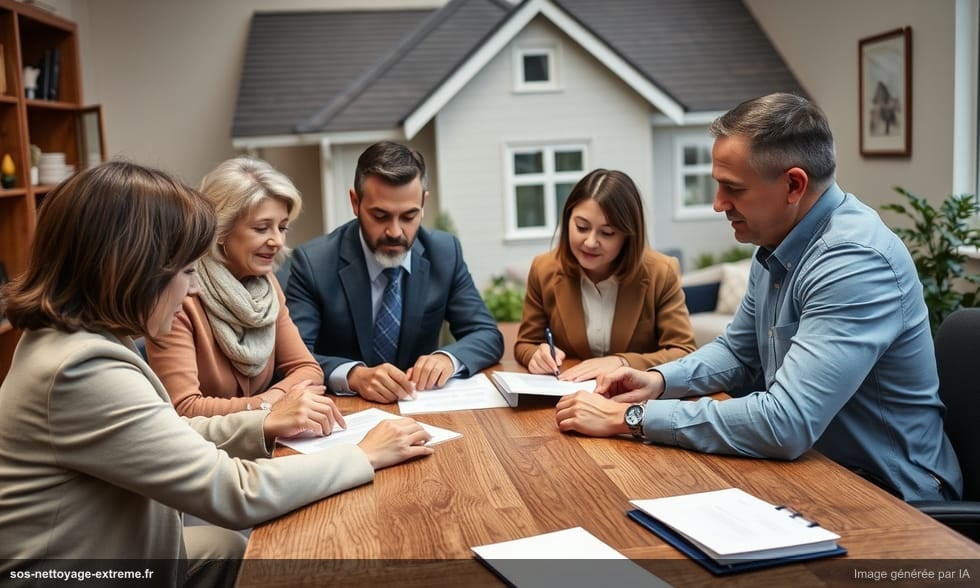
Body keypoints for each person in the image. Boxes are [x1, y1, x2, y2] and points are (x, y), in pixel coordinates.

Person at [0, 161, 433, 587]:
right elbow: (233, 491)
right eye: (187, 271)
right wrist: (364, 455)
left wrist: (261, 421)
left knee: (226, 549)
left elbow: (169, 432)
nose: (193, 288)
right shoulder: (82, 371)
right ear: (133, 269)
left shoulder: (75, 341)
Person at [554, 93, 962, 502]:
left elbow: (786, 423)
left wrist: (631, 417)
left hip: (893, 495)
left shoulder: (854, 262)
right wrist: (658, 382)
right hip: (814, 471)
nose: (718, 204)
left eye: (733, 189)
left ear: (793, 185)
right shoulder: (777, 244)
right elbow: (738, 351)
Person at [286, 141, 503, 403]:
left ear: (423, 203)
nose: (395, 232)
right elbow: (293, 360)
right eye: (380, 216)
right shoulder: (313, 263)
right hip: (344, 412)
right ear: (355, 202)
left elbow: (487, 334)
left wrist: (447, 359)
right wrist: (353, 375)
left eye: (409, 216)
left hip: (423, 408)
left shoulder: (445, 252)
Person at [146, 157, 324, 417]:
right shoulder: (179, 294)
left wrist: (269, 401)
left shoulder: (268, 288)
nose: (277, 240)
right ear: (221, 230)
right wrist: (271, 404)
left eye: (282, 227)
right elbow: (184, 408)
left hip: (264, 441)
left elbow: (309, 370)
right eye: (262, 228)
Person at [515, 168, 696, 381]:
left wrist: (622, 362)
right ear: (567, 220)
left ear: (628, 235)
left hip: (635, 400)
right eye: (581, 227)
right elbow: (526, 343)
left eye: (607, 233)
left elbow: (684, 351)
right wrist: (536, 355)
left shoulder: (661, 272)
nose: (590, 242)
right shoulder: (543, 268)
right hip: (567, 393)